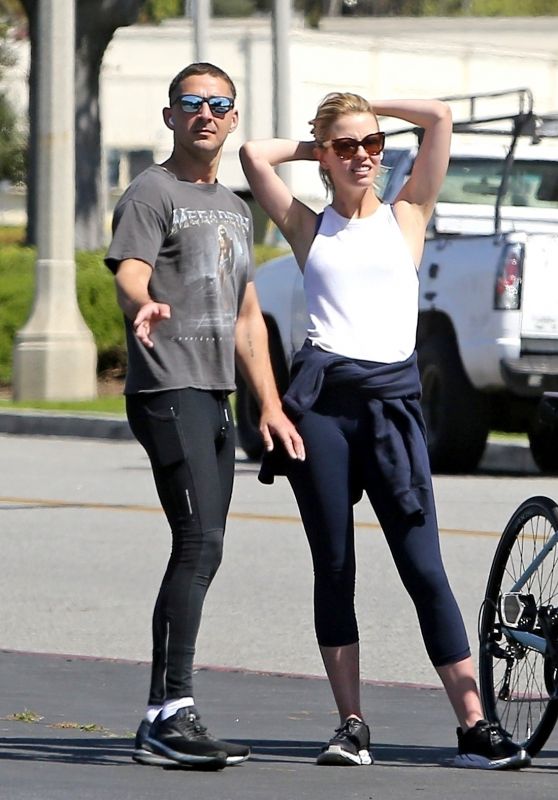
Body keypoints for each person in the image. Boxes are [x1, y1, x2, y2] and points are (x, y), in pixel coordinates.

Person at [239, 92, 531, 770]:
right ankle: (350, 724)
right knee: (335, 567)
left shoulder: (408, 214)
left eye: (370, 143)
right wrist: (320, 144)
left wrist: (370, 112)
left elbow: (437, 120)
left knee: (424, 567)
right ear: (324, 158)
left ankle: (474, 726)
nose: (363, 154)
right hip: (325, 411)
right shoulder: (308, 226)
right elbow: (254, 155)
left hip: (393, 409)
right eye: (348, 147)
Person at [105, 62, 304, 770]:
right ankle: (170, 711)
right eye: (191, 103)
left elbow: (248, 314)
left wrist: (270, 406)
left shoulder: (233, 207)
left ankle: (166, 711)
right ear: (170, 116)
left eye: (218, 104)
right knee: (198, 541)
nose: (205, 114)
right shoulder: (150, 191)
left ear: (232, 116)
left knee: (204, 545)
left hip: (215, 394)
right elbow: (130, 270)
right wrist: (141, 304)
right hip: (168, 388)